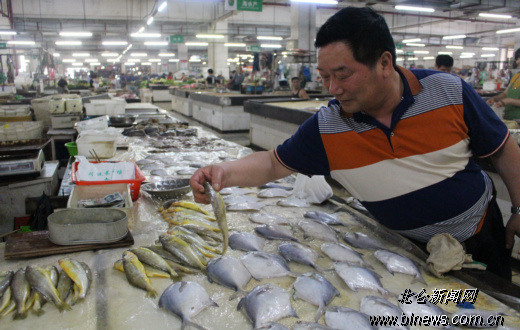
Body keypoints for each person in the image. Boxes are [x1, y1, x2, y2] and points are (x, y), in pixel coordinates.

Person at [191, 7, 520, 281]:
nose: (333, 87)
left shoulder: (448, 92)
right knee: (426, 313)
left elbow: (503, 149)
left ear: (384, 63)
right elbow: (273, 164)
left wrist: (519, 208)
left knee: (485, 314)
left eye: (343, 74)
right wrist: (222, 172)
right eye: (324, 77)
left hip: (478, 237)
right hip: (404, 250)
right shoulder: (328, 127)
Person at [486, 48, 520, 119]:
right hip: (510, 118)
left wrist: (509, 101)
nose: (517, 62)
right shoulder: (516, 76)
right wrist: (495, 99)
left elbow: (507, 99)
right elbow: (505, 94)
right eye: (517, 59)